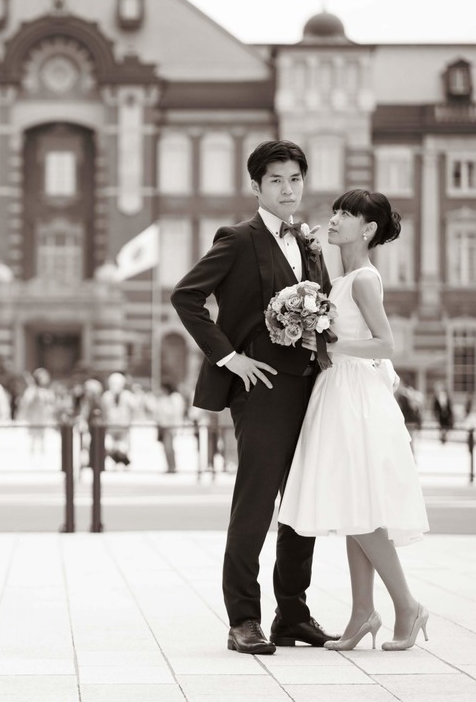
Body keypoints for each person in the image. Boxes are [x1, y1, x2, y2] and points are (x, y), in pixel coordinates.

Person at [171, 140, 338, 655]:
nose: (288, 190)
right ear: (256, 187)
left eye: (295, 180)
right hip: (260, 390)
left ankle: (293, 614)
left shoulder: (310, 245)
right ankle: (243, 619)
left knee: (302, 504)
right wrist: (229, 358)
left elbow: (324, 308)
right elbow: (186, 296)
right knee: (256, 505)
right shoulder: (238, 239)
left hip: (312, 387)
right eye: (276, 181)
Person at [278, 189, 430, 652]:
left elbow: (385, 345)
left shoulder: (363, 278)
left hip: (354, 393)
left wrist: (326, 343)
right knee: (351, 507)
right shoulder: (340, 280)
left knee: (358, 508)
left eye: (347, 214)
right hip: (337, 389)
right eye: (336, 211)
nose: (335, 218)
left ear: (367, 230)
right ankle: (363, 612)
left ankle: (407, 605)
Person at [155, 382, 185, 474]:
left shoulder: (175, 398)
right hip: (165, 425)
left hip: (171, 426)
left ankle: (172, 467)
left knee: (169, 447)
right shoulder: (166, 398)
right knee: (166, 447)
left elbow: (175, 412)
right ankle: (170, 466)